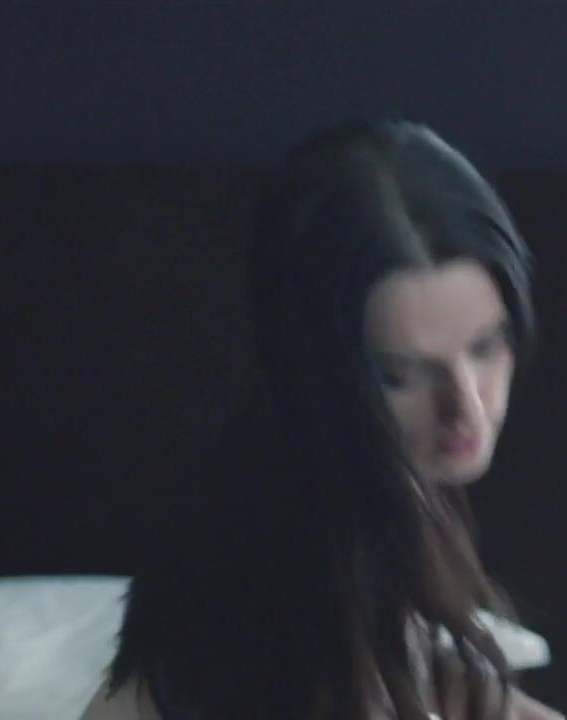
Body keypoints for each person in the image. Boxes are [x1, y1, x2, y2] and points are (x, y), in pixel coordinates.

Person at [81, 120, 562, 719]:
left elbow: (433, 673)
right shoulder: (290, 554)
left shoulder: (370, 500)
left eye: (486, 346)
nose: (466, 406)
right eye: (401, 375)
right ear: (319, 372)